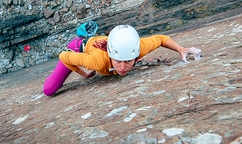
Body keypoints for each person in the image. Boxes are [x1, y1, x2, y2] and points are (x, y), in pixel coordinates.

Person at [42, 24, 201, 96]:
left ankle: (89, 33)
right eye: (118, 61)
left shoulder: (138, 48)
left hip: (105, 41)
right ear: (111, 55)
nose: (123, 67)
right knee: (49, 90)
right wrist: (85, 74)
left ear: (135, 55)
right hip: (78, 48)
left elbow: (160, 39)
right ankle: (83, 36)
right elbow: (64, 56)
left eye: (129, 61)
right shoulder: (96, 61)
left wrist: (181, 49)